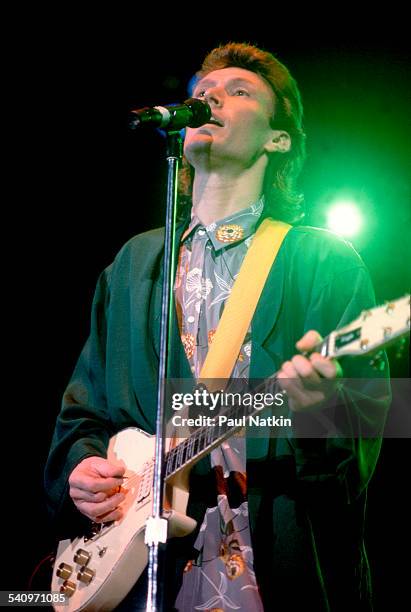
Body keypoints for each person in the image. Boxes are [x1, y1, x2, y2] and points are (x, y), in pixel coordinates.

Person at [45, 42, 390, 611]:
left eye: (239, 91)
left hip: (267, 573)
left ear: (278, 139)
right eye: (201, 92)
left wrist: (312, 406)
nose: (210, 98)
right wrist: (80, 468)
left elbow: (378, 411)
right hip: (146, 576)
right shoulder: (136, 264)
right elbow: (83, 412)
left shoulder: (322, 262)